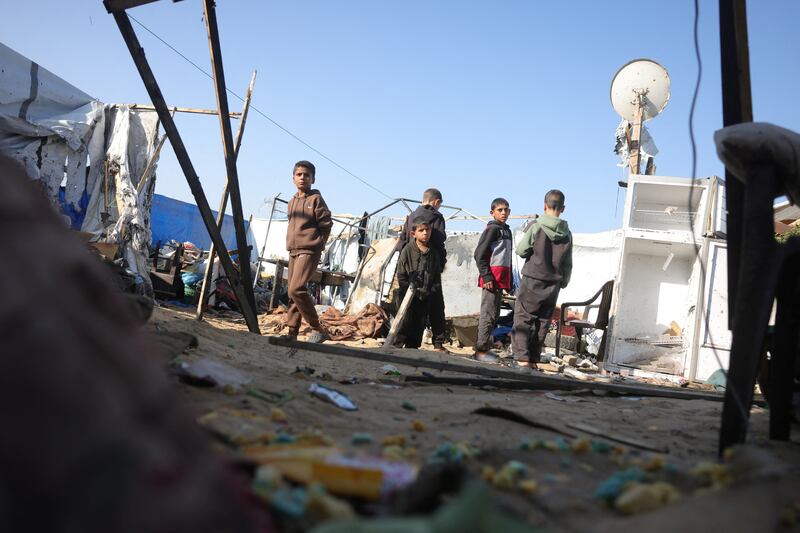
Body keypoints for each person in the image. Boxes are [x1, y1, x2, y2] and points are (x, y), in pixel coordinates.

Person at [511, 189, 573, 370]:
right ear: (563, 208)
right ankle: (533, 359)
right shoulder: (567, 233)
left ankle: (522, 359)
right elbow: (568, 263)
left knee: (523, 318)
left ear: (544, 206)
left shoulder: (536, 226)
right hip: (554, 283)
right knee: (543, 322)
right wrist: (564, 281)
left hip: (532, 279)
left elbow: (521, 251)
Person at [284, 160, 332, 343]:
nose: (302, 177)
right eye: (299, 174)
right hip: (293, 250)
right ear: (293, 178)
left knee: (297, 288)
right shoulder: (291, 202)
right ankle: (292, 333)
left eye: (306, 175)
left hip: (309, 250)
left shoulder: (316, 200)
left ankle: (317, 328)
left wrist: (319, 243)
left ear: (313, 178)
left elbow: (326, 224)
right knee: (291, 293)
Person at [396, 188, 449, 352]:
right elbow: (439, 242)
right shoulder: (436, 217)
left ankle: (401, 341)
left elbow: (402, 241)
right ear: (436, 202)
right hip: (430, 266)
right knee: (436, 306)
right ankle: (438, 342)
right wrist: (440, 264)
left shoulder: (411, 215)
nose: (425, 232)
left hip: (410, 265)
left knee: (409, 307)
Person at [473, 198, 513, 362]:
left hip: (501, 280)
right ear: (492, 213)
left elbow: (506, 258)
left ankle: (486, 348)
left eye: (506, 210)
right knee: (488, 315)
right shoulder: (492, 229)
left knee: (494, 315)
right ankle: (481, 350)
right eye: (500, 210)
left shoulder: (507, 231)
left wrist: (509, 282)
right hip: (491, 279)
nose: (503, 213)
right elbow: (479, 254)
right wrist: (486, 275)